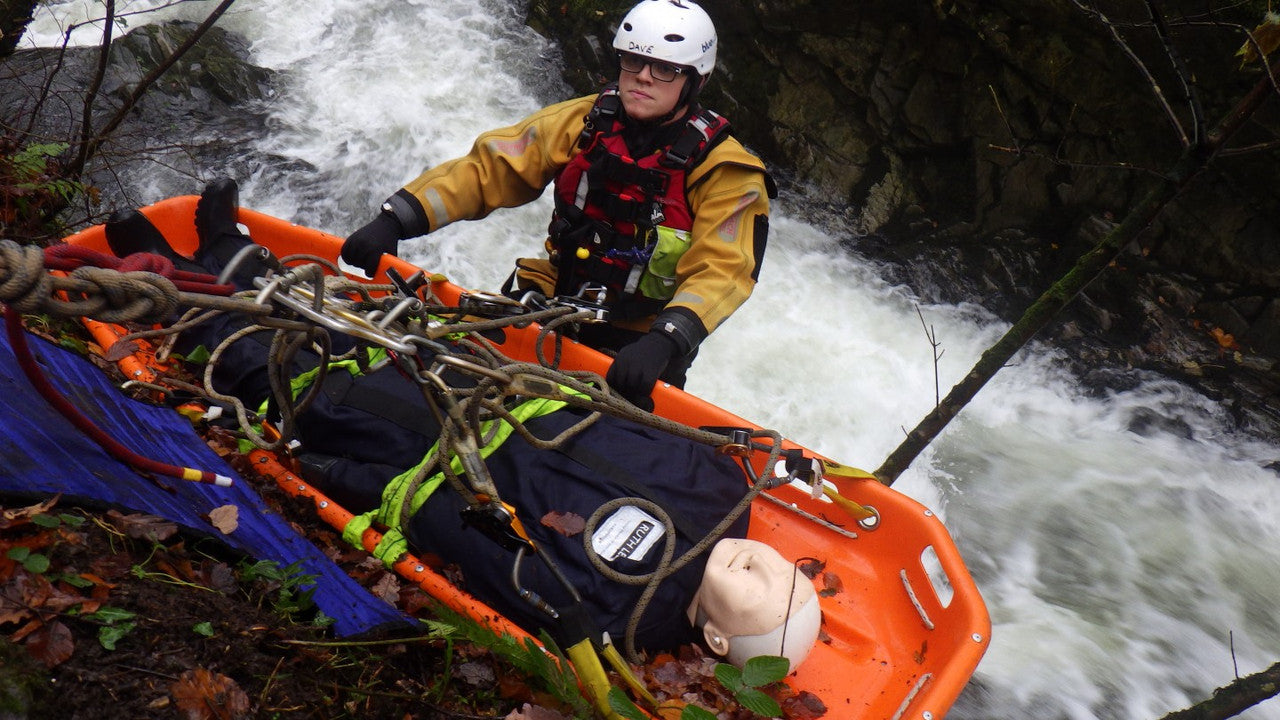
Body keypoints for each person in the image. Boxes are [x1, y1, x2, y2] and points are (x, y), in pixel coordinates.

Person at [103, 178, 817, 669]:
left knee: (299, 384)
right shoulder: (726, 486)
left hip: (436, 451)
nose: (768, 570)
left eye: (767, 606)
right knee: (366, 329)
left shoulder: (608, 613)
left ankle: (168, 291)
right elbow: (615, 414)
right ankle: (236, 258)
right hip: (496, 391)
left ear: (719, 642)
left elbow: (467, 544)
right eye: (792, 579)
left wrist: (339, 478)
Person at [340, 0, 775, 412]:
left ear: (693, 80)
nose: (642, 76)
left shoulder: (726, 171)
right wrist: (394, 219)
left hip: (641, 340)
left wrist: (666, 340)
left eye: (664, 69)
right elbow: (490, 169)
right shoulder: (585, 121)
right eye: (633, 61)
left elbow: (724, 270)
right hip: (551, 301)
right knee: (458, 394)